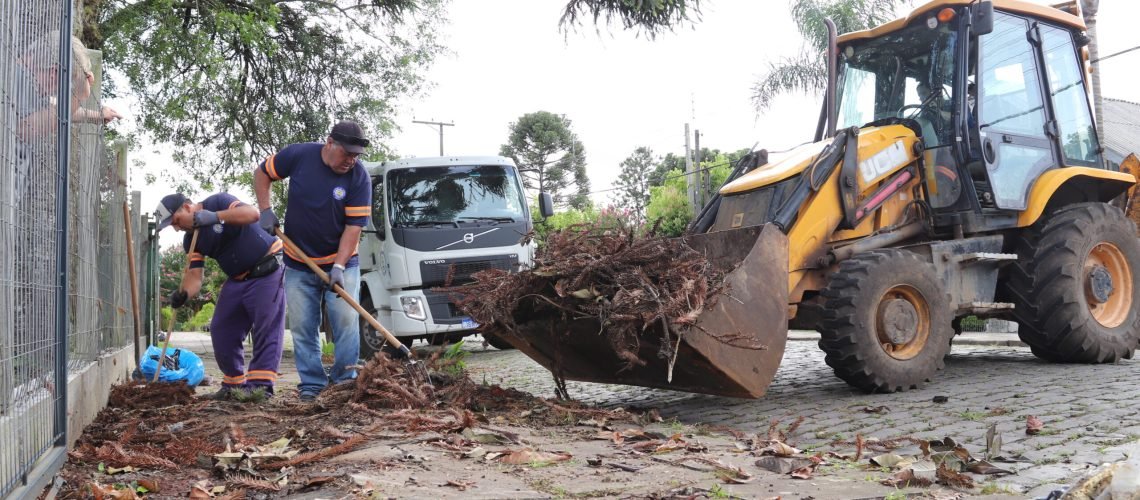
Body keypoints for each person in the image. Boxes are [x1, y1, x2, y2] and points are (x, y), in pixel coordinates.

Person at [253, 120, 372, 402]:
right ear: (329, 143)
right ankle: (312, 384)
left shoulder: (359, 177)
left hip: (341, 263)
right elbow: (261, 173)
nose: (351, 160)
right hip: (298, 261)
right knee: (304, 326)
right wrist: (265, 210)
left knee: (345, 321)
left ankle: (344, 380)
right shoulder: (298, 156)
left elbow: (353, 228)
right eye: (347, 153)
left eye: (356, 155)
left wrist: (339, 266)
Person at [155, 192, 286, 399]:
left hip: (267, 269)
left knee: (266, 327)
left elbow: (252, 214)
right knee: (221, 328)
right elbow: (195, 277)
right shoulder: (191, 240)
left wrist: (215, 217)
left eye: (176, 221)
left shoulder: (218, 202)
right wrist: (183, 294)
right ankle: (233, 386)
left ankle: (260, 388)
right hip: (237, 278)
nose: (177, 228)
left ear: (187, 208)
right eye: (173, 225)